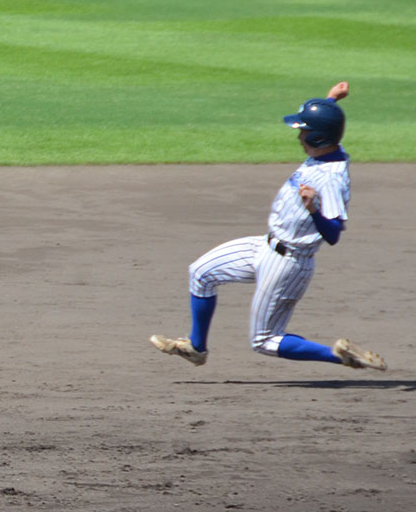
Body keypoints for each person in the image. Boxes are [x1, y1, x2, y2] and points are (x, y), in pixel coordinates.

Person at [149, 82, 387, 371]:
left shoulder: (331, 177)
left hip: (289, 264)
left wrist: (313, 210)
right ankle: (196, 348)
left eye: (304, 130)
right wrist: (331, 100)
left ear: (319, 136)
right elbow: (327, 123)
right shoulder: (327, 150)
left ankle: (338, 355)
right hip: (266, 245)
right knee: (201, 272)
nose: (299, 136)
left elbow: (334, 234)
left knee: (264, 340)